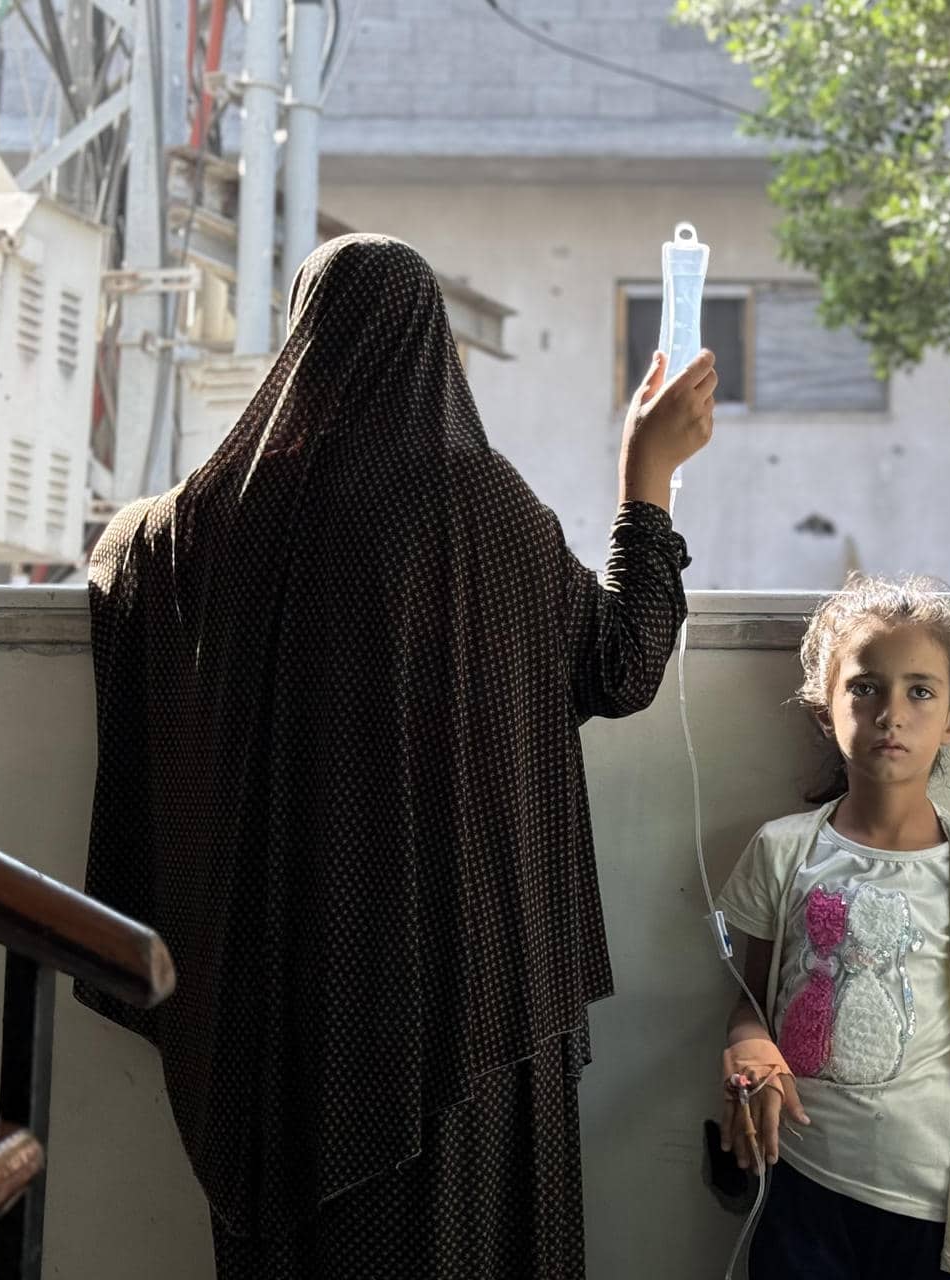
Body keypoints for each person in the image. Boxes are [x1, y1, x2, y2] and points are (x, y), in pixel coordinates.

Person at [73, 233, 717, 1279]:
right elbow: (621, 665)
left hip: (287, 999)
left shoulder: (200, 530)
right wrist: (648, 480)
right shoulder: (486, 515)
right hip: (468, 988)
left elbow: (119, 562)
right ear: (433, 351)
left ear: (302, 350)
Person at [714, 575, 950, 1279]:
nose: (891, 714)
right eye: (865, 688)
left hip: (925, 1203)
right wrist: (748, 1049)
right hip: (798, 1182)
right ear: (825, 709)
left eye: (919, 691)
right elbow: (749, 1000)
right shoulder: (784, 850)